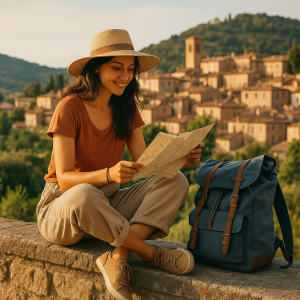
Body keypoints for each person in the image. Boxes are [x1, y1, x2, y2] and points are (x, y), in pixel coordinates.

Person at [36, 29, 204, 300]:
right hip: (63, 209)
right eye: (117, 68)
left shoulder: (126, 109)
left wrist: (183, 160)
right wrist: (108, 173)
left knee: (175, 181)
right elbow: (64, 179)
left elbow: (146, 165)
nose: (125, 76)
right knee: (85, 192)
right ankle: (152, 254)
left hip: (107, 210)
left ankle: (118, 256)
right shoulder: (69, 107)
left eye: (130, 69)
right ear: (95, 69)